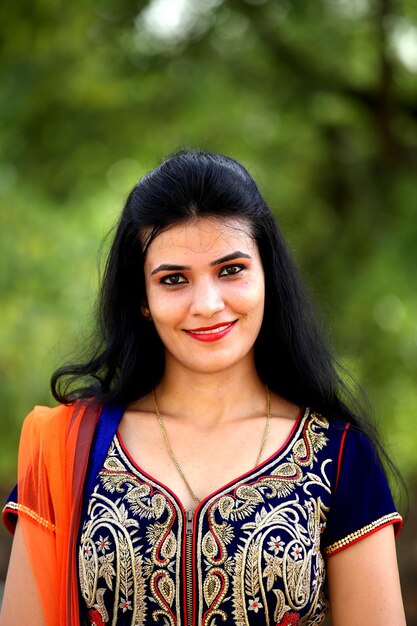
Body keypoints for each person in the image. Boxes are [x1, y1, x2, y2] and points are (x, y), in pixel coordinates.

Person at [0, 150, 406, 626]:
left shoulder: (339, 456)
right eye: (174, 279)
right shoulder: (67, 449)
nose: (208, 304)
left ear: (267, 278)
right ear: (143, 300)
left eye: (231, 270)